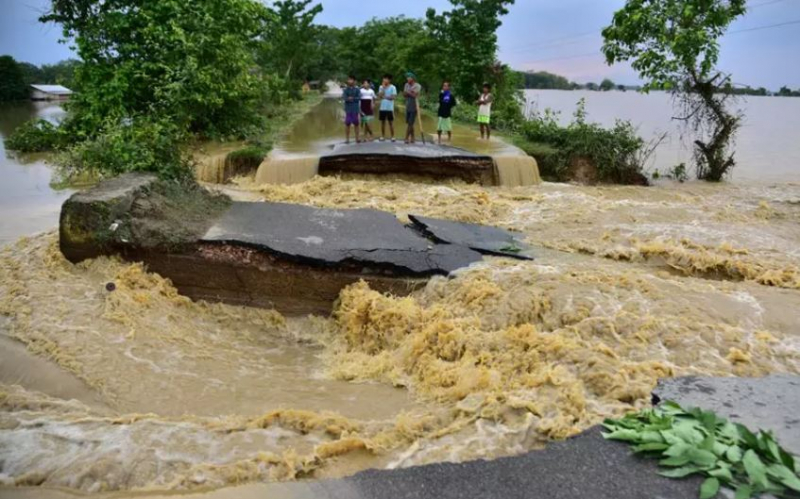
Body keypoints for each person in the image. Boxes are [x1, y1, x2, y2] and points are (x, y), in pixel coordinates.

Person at [377, 74, 397, 142]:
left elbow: (393, 97)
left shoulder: (393, 87)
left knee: (390, 122)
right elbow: (379, 96)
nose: (384, 80)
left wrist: (385, 97)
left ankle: (393, 136)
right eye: (383, 78)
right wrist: (383, 88)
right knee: (382, 122)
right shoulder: (381, 87)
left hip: (390, 108)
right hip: (382, 108)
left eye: (386, 79)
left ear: (389, 80)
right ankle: (382, 136)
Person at [403, 71, 421, 144]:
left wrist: (408, 93)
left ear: (412, 78)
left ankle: (406, 137)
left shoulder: (418, 86)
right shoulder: (406, 85)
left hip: (414, 105)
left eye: (409, 77)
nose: (407, 79)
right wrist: (410, 92)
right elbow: (404, 94)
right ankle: (413, 137)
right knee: (409, 123)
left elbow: (415, 96)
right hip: (408, 105)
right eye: (407, 77)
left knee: (410, 123)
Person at [342, 75, 361, 144]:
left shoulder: (357, 89)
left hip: (355, 109)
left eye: (351, 80)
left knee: (356, 123)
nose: (349, 81)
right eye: (348, 80)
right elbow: (344, 97)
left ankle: (357, 138)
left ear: (354, 81)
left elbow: (359, 98)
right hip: (348, 109)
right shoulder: (345, 89)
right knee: (347, 124)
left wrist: (352, 98)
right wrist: (348, 99)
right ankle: (347, 139)